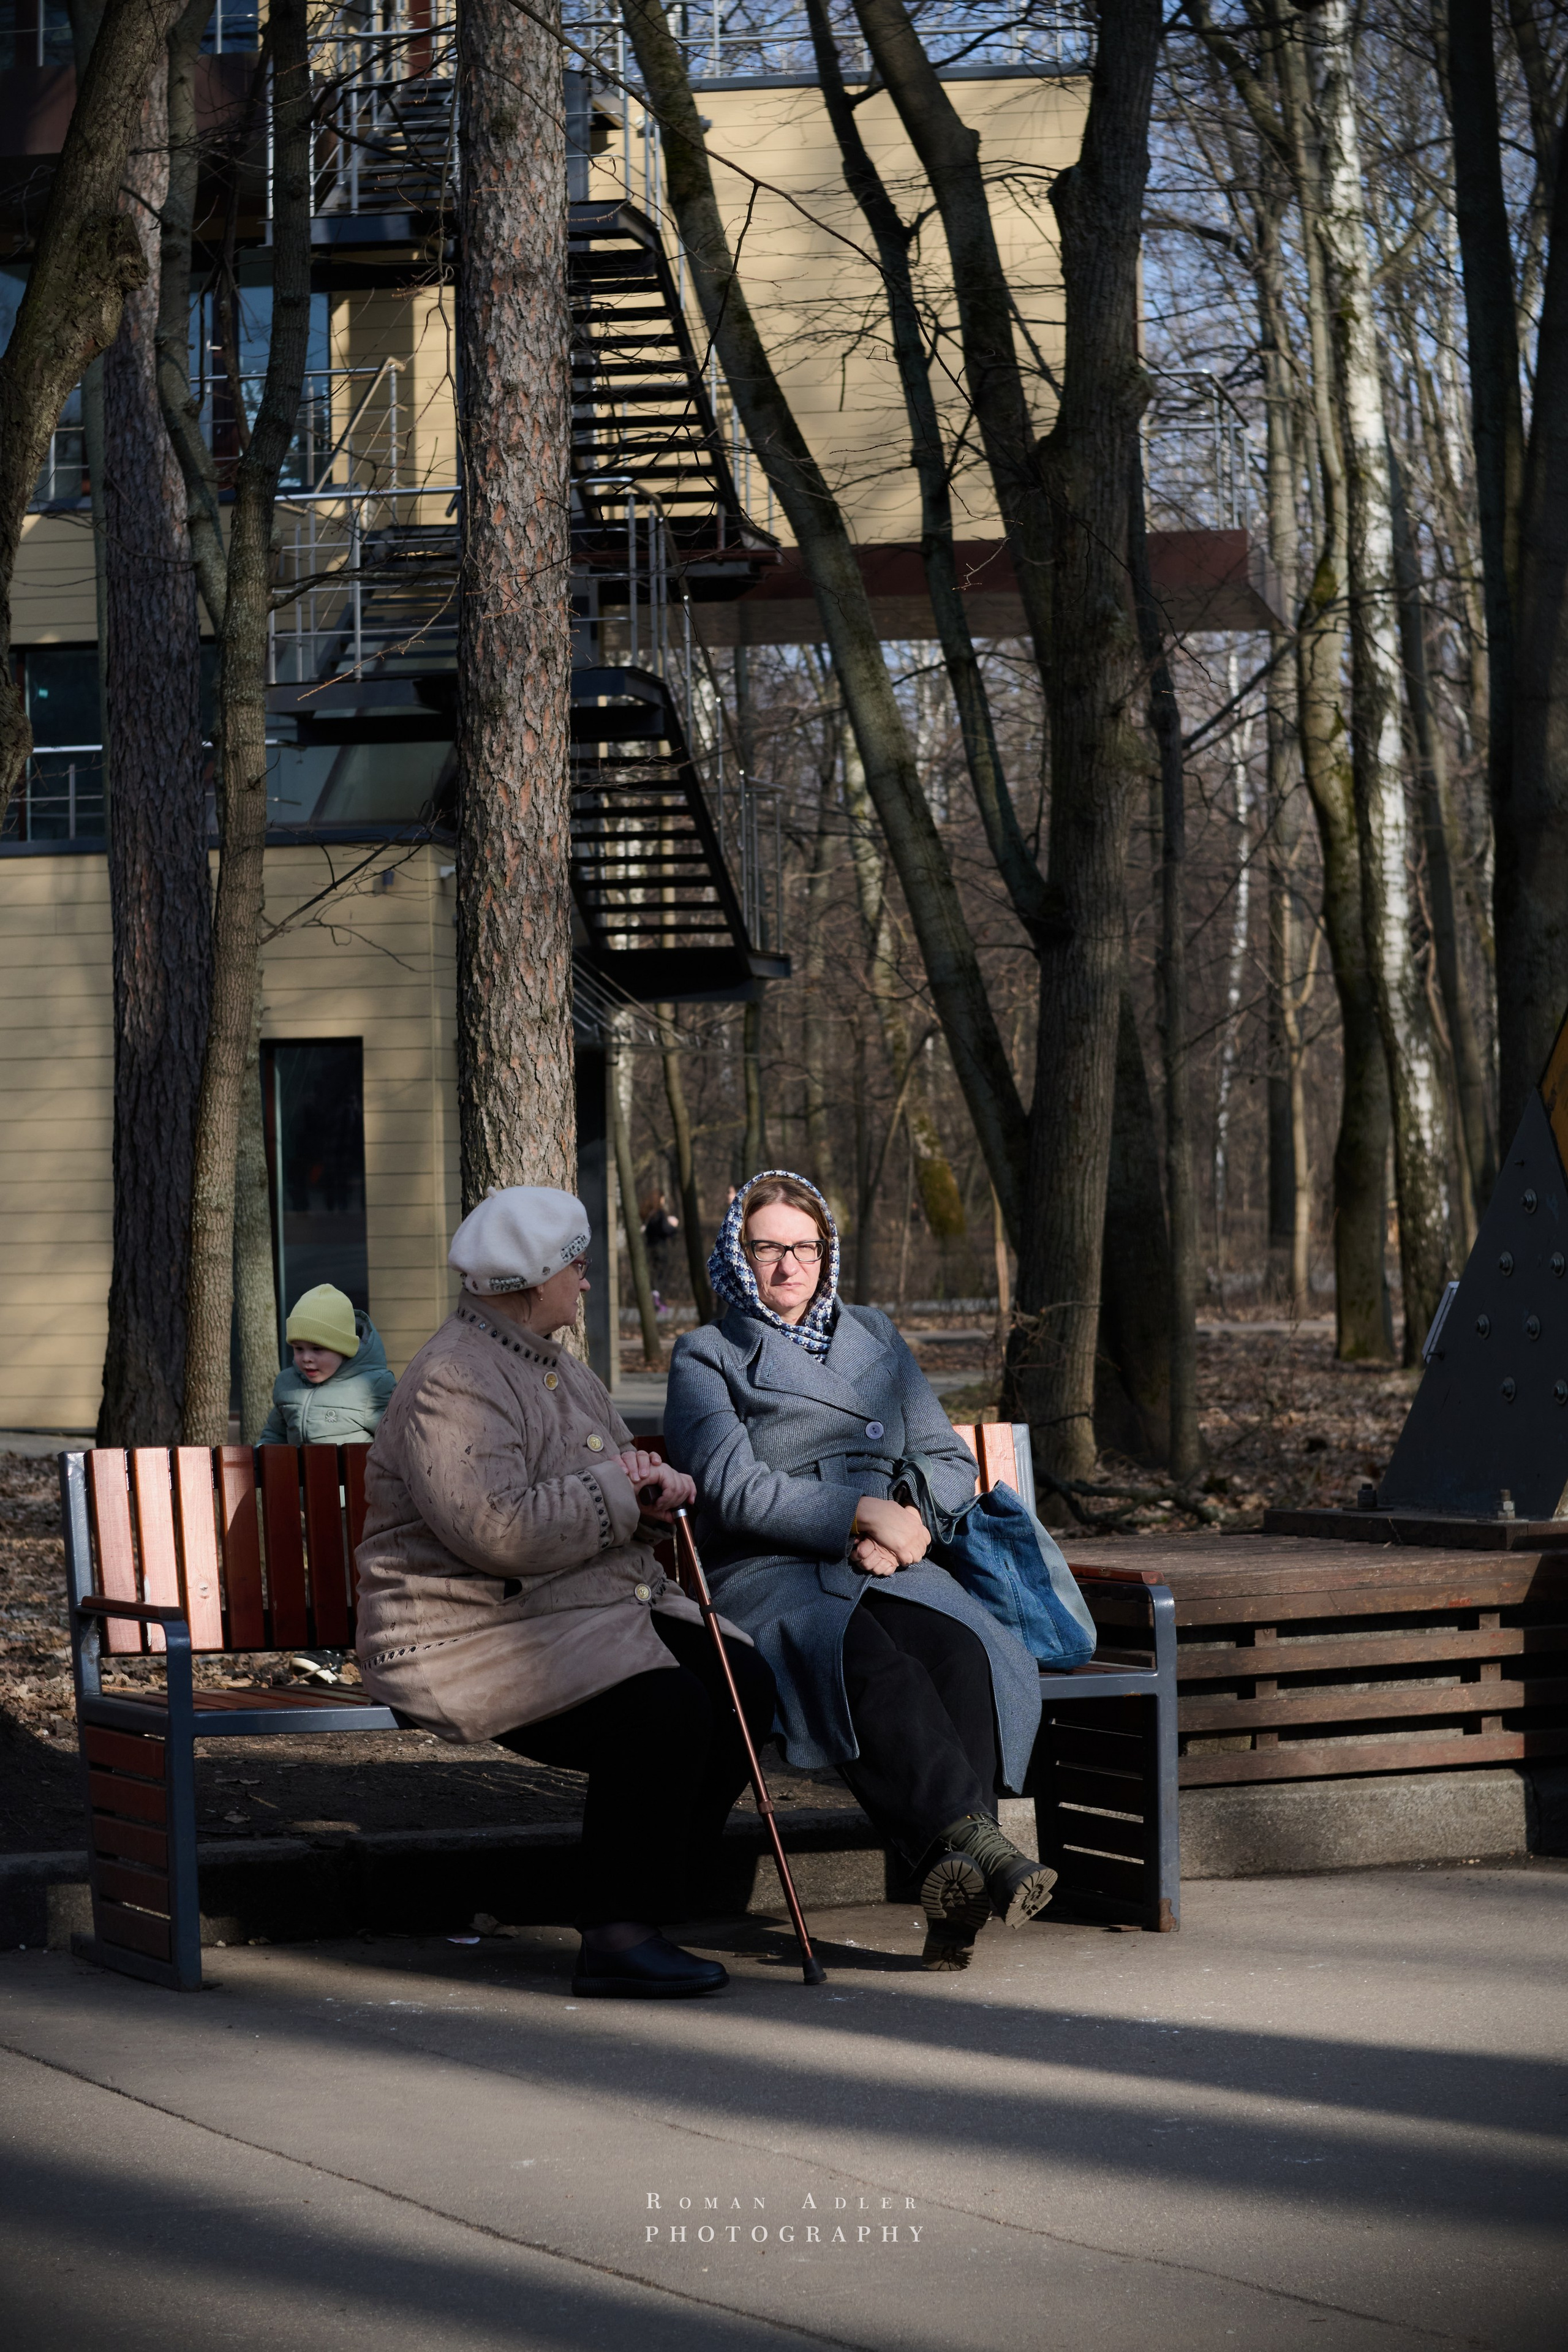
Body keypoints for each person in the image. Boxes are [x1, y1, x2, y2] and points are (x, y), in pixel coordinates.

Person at [353, 1186, 776, 2000]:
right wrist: (620, 1492)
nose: (586, 1282)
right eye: (578, 1268)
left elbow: (616, 1480)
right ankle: (618, 1933)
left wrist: (653, 1493)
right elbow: (493, 1529)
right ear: (532, 1279)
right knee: (666, 1712)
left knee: (742, 1683)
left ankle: (643, 1895)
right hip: (462, 1632)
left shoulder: (557, 1365)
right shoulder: (454, 1379)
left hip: (564, 1609)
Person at [665, 1169, 1052, 1971]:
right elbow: (734, 1488)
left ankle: (957, 1890)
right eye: (767, 1247)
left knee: (961, 1651)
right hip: (772, 1572)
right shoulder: (706, 1356)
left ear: (826, 1252)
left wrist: (907, 1517)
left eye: (805, 1247)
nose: (788, 1266)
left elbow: (945, 1457)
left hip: (888, 1558)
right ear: (739, 1256)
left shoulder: (875, 1338)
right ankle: (978, 1846)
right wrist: (854, 1513)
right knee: (865, 1658)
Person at [257, 1284, 396, 1446]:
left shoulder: (373, 1386)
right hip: (298, 1471)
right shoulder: (287, 1384)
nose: (306, 1358)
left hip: (354, 1470)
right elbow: (275, 1435)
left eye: (317, 1349)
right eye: (299, 1348)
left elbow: (395, 1442)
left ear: (344, 1349)